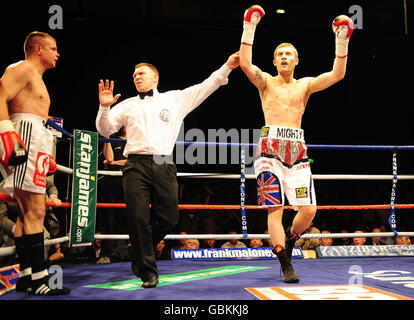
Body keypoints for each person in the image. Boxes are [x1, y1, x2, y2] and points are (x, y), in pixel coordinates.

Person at [96, 52, 240, 288]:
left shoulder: (175, 99)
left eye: (141, 73)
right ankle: (148, 272)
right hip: (134, 165)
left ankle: (139, 249)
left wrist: (227, 66)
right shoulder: (127, 105)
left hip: (163, 163)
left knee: (170, 218)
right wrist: (104, 108)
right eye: (134, 74)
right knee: (138, 218)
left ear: (155, 78)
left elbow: (207, 86)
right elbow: (105, 130)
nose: (136, 77)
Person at [239, 5, 354, 282]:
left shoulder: (305, 85)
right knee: (274, 208)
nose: (284, 56)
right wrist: (249, 25)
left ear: (297, 60)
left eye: (289, 53)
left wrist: (342, 38)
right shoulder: (265, 81)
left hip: (298, 151)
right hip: (269, 150)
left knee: (309, 210)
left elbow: (337, 74)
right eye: (279, 54)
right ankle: (284, 263)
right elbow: (245, 63)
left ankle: (290, 240)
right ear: (274, 61)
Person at [0, 31, 70, 295]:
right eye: (53, 48)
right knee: (36, 211)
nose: (57, 53)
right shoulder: (23, 68)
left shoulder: (34, 76)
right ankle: (40, 279)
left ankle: (27, 275)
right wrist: (8, 134)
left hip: (34, 138)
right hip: (24, 136)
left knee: (26, 214)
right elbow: (0, 95)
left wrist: (44, 151)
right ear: (38, 49)